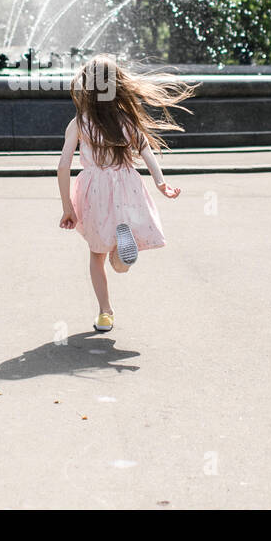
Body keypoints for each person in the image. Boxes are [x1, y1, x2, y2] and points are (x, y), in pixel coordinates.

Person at [56, 55, 195, 333]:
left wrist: (67, 207)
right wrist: (161, 184)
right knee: (118, 253)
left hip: (95, 189)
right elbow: (145, 151)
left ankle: (105, 312)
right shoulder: (125, 119)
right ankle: (121, 254)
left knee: (96, 254)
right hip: (126, 186)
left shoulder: (80, 122)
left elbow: (63, 166)